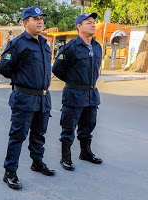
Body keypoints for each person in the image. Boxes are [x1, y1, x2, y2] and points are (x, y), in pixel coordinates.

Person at [0, 6, 55, 190]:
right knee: (18, 136)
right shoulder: (18, 43)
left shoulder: (44, 44)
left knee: (39, 134)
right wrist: (21, 79)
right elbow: (4, 67)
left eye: (41, 19)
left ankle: (37, 162)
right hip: (24, 97)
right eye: (35, 19)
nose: (40, 22)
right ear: (25, 23)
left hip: (43, 99)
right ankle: (10, 172)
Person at [52, 13, 103, 171]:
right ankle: (65, 157)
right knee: (68, 127)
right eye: (88, 22)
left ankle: (85, 152)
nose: (93, 25)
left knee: (89, 125)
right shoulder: (71, 47)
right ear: (79, 26)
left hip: (91, 94)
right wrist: (73, 81)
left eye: (94, 22)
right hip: (74, 94)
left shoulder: (97, 46)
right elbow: (57, 69)